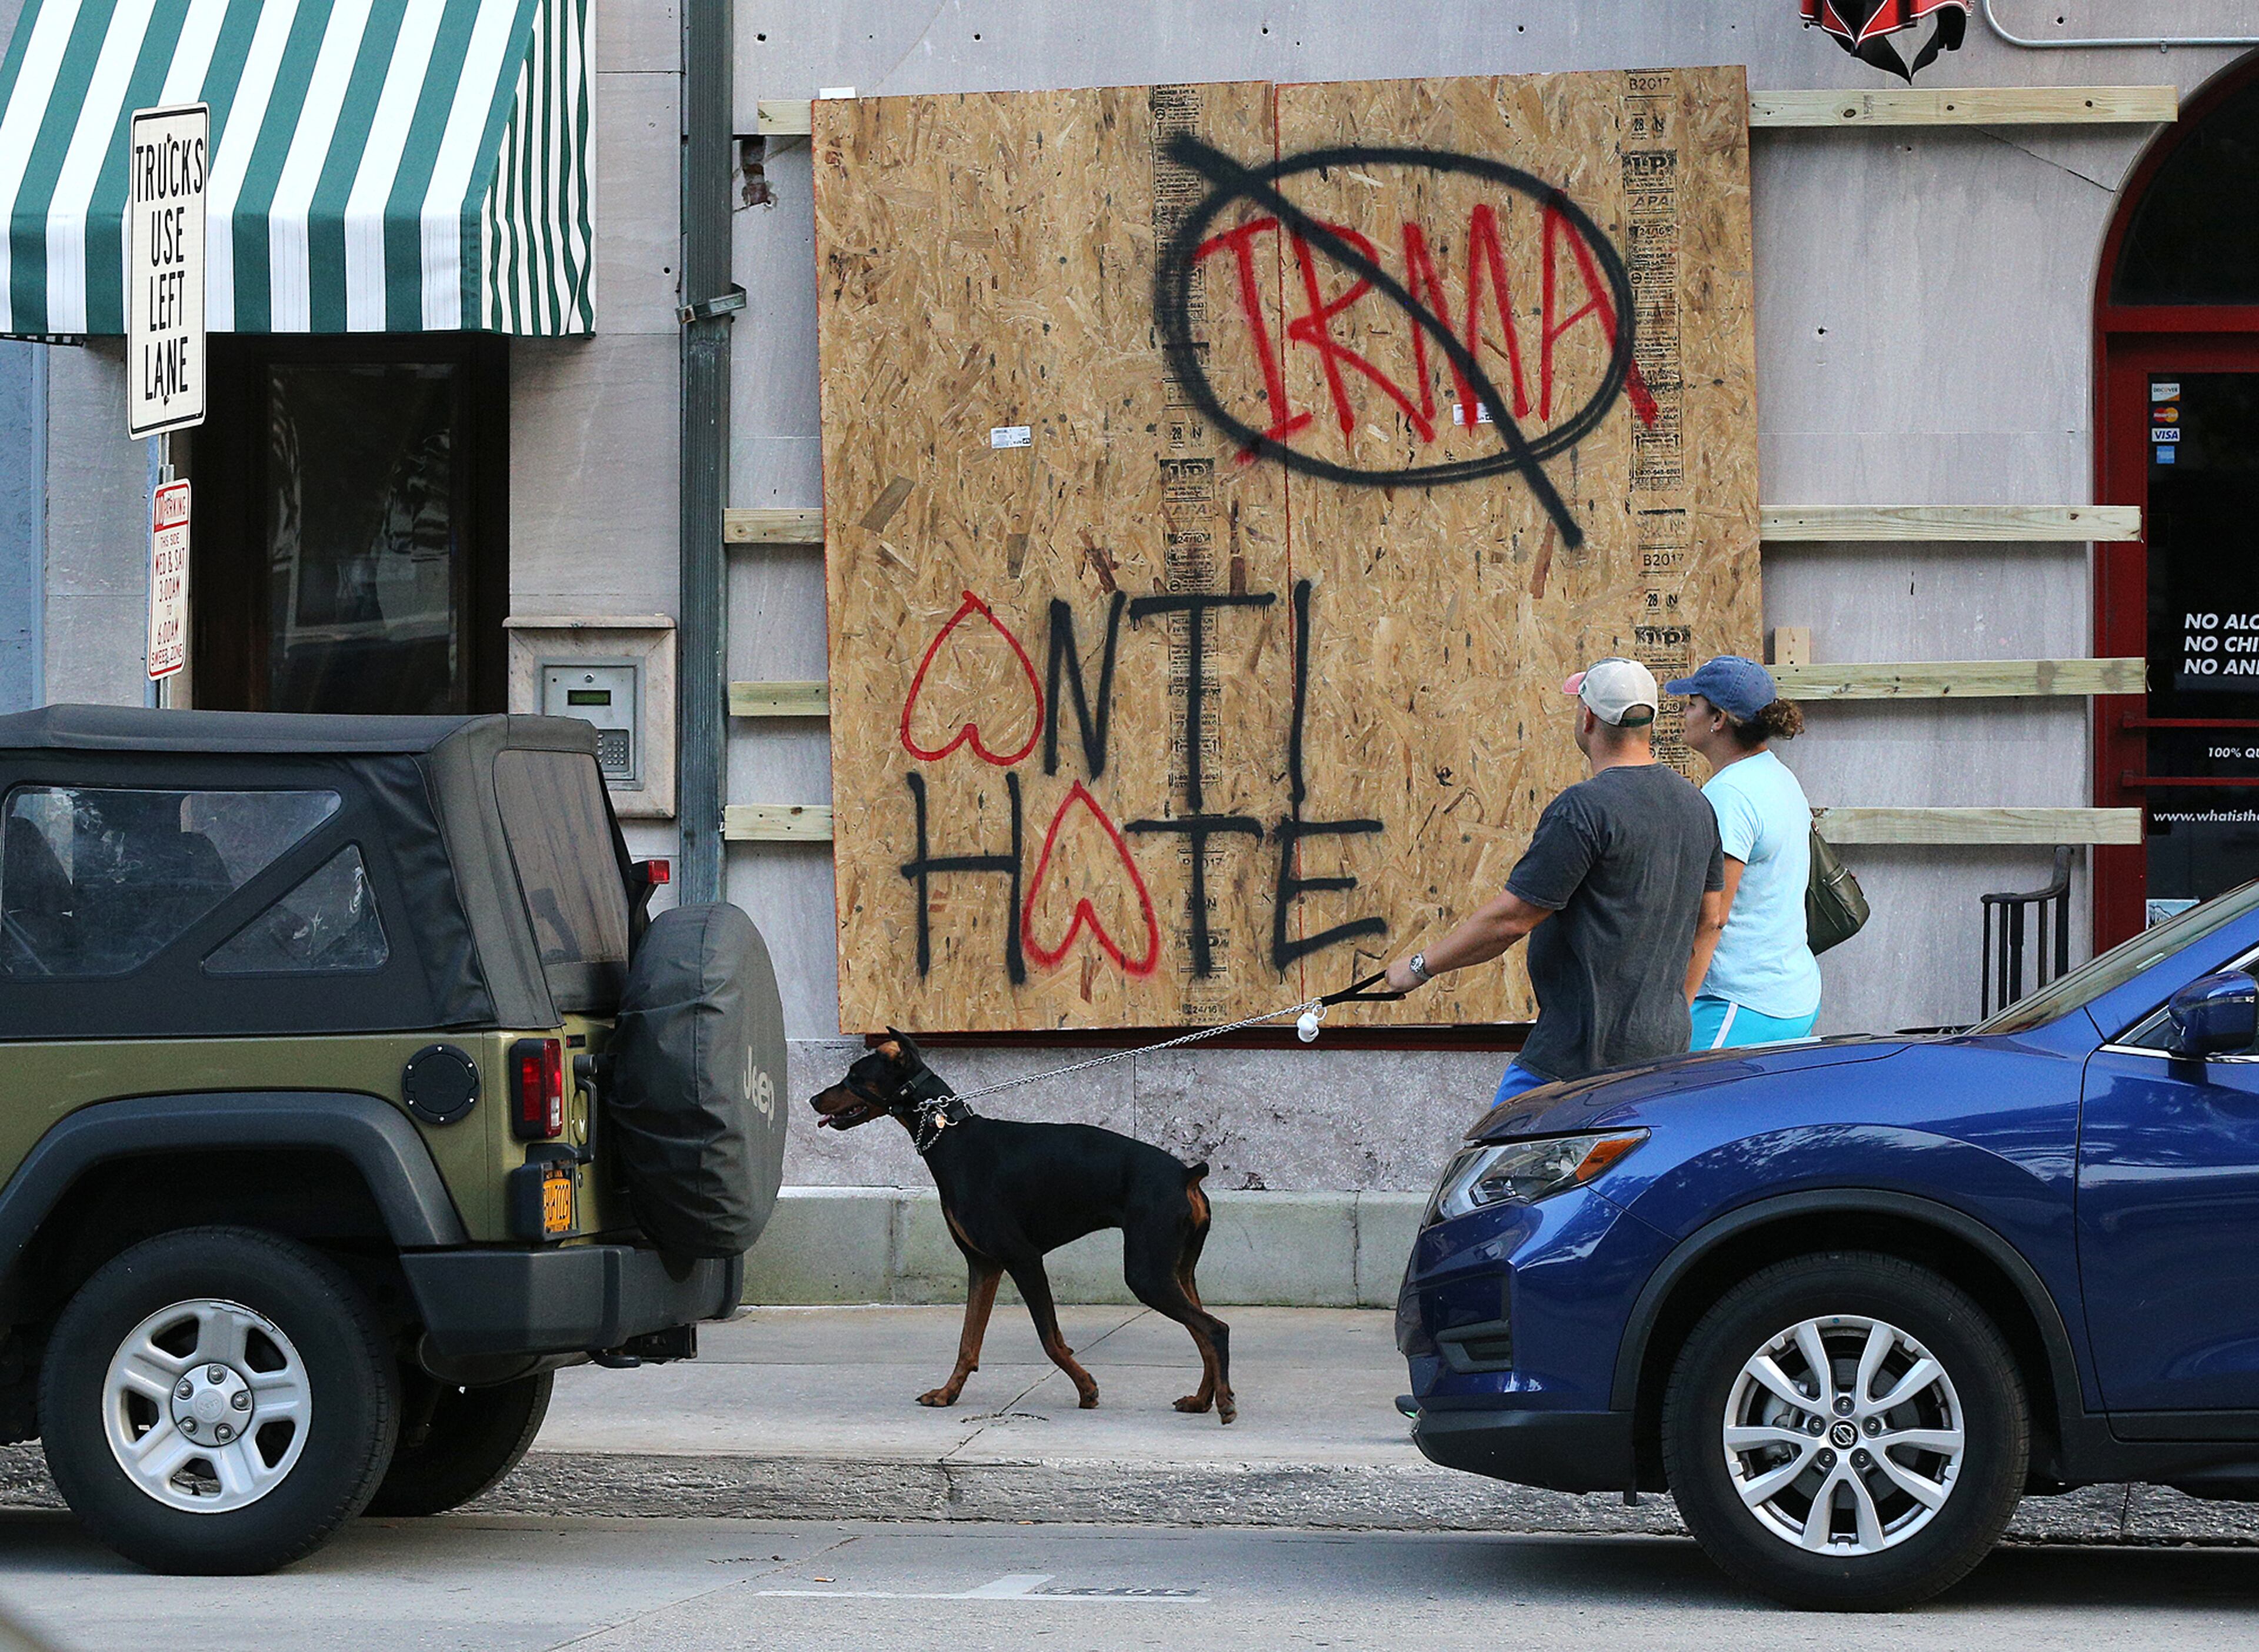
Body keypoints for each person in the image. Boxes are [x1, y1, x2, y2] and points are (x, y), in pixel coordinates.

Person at [1384, 658, 1724, 1106]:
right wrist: (1674, 1007)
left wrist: (1418, 967)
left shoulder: (1584, 809)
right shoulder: (1696, 805)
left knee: (1500, 1167)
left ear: (1587, 718)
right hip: (1661, 1054)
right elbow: (1711, 920)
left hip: (1573, 1060)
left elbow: (1511, 920)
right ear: (1649, 721)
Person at [1668, 655, 1822, 1049]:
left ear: (1718, 718)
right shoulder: (1779, 776)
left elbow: (1713, 916)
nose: (1684, 714)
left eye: (1691, 705)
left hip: (1740, 1004)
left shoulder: (1730, 795)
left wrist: (1677, 1008)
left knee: (1678, 1103)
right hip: (1792, 995)